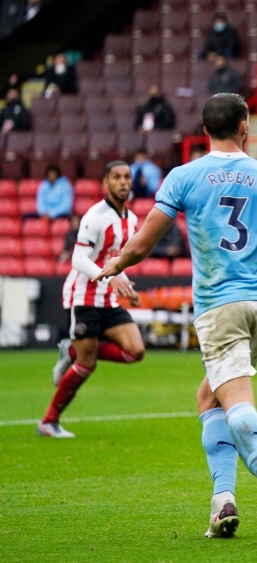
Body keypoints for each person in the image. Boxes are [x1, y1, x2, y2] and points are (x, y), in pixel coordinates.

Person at [94, 93, 257, 545]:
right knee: (209, 398)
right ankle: (223, 503)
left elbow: (142, 244)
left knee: (235, 397)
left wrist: (115, 265)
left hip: (220, 305)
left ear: (204, 130)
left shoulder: (184, 176)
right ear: (245, 127)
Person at [38, 161, 146, 439]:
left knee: (136, 351)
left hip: (107, 298)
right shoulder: (95, 216)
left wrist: (126, 286)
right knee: (87, 366)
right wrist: (112, 278)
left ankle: (72, 351)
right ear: (105, 183)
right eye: (117, 177)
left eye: (127, 177)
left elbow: (116, 259)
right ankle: (49, 422)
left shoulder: (132, 220)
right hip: (82, 296)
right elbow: (77, 259)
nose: (123, 182)